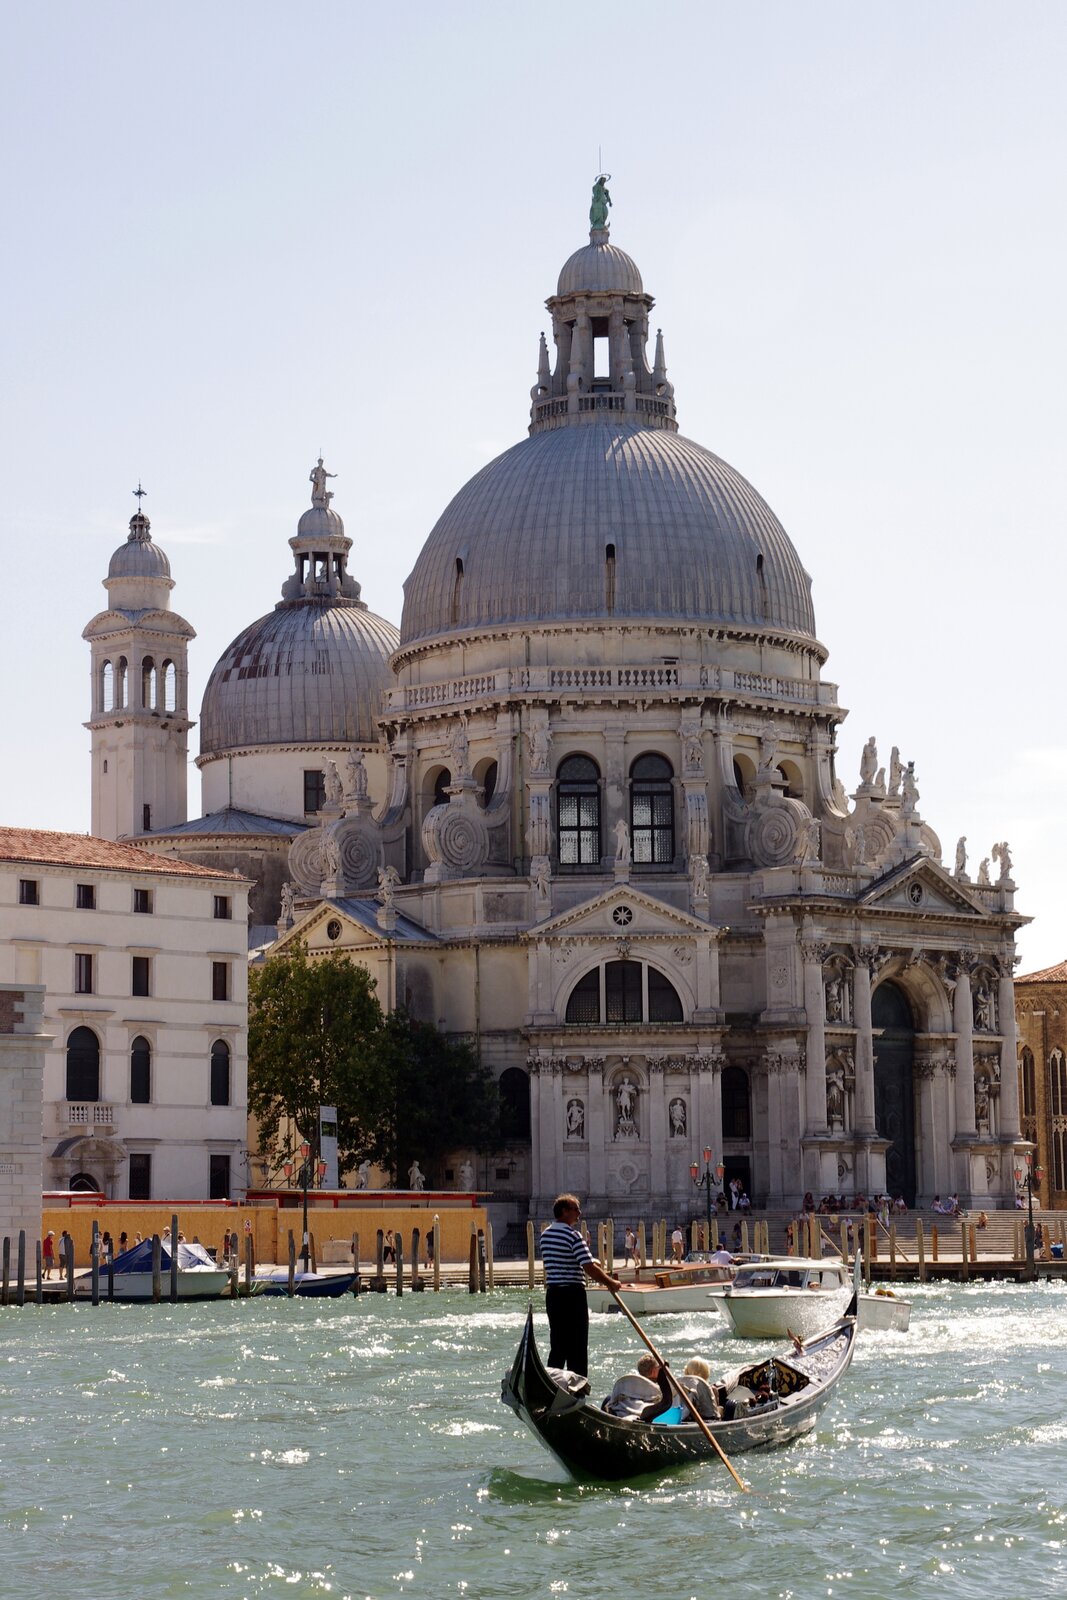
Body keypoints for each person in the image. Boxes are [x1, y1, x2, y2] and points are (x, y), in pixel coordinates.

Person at [539, 1194, 623, 1378]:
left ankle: (554, 1383)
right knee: (577, 1345)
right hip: (572, 1294)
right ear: (564, 1211)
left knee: (558, 1343)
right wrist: (611, 1283)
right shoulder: (573, 1235)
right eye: (575, 1209)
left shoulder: (546, 1235)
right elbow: (589, 1269)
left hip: (553, 1295)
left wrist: (589, 1259)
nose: (579, 1213)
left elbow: (564, 1257)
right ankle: (577, 1387)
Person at [602, 1353, 673, 1422]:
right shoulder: (660, 1395)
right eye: (659, 1368)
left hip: (620, 1416)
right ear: (653, 1371)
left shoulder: (623, 1390)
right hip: (639, 1418)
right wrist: (662, 1374)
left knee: (608, 1399)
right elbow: (668, 1401)